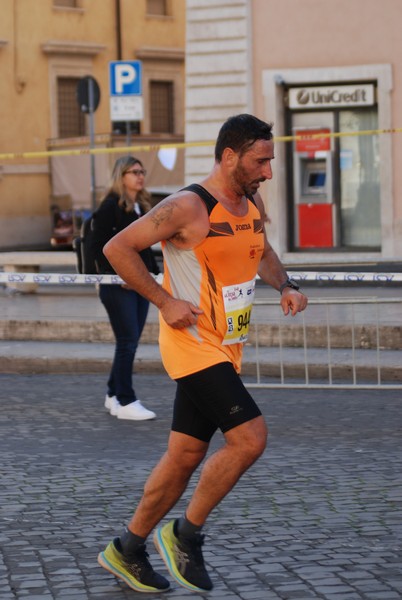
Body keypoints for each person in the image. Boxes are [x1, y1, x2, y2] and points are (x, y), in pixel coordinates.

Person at [97, 114, 308, 592]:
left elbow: (263, 249)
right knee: (250, 439)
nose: (268, 172)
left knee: (185, 456)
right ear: (229, 155)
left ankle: (126, 549)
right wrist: (165, 301)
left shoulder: (249, 202)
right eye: (261, 161)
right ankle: (185, 534)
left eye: (270, 162)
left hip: (226, 349)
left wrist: (286, 284)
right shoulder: (187, 207)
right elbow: (118, 247)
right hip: (193, 346)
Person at [92, 155, 160, 421]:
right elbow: (98, 247)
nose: (140, 176)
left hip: (140, 283)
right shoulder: (110, 206)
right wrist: (116, 275)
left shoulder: (141, 206)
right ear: (121, 176)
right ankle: (125, 399)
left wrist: (153, 273)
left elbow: (143, 248)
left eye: (142, 171)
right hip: (118, 285)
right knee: (128, 341)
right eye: (134, 171)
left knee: (128, 341)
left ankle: (112, 394)